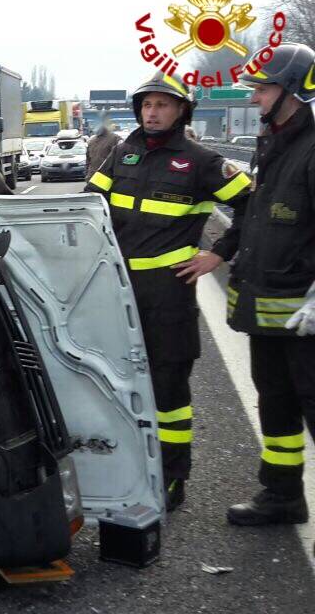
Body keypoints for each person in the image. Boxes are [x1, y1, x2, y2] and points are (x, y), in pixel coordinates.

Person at [84, 72, 252, 510]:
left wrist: (217, 254)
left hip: (168, 292)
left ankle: (174, 476)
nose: (152, 112)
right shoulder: (123, 154)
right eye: (146, 105)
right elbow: (85, 205)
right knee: (115, 382)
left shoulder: (202, 161)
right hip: (117, 289)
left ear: (181, 110)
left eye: (161, 105)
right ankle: (130, 469)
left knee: (169, 389)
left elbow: (251, 205)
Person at [179, 43, 315, 530]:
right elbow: (256, 215)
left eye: (262, 87)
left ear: (291, 89)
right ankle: (282, 496)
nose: (255, 97)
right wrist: (221, 251)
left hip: (305, 315)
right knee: (276, 404)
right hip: (271, 311)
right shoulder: (273, 143)